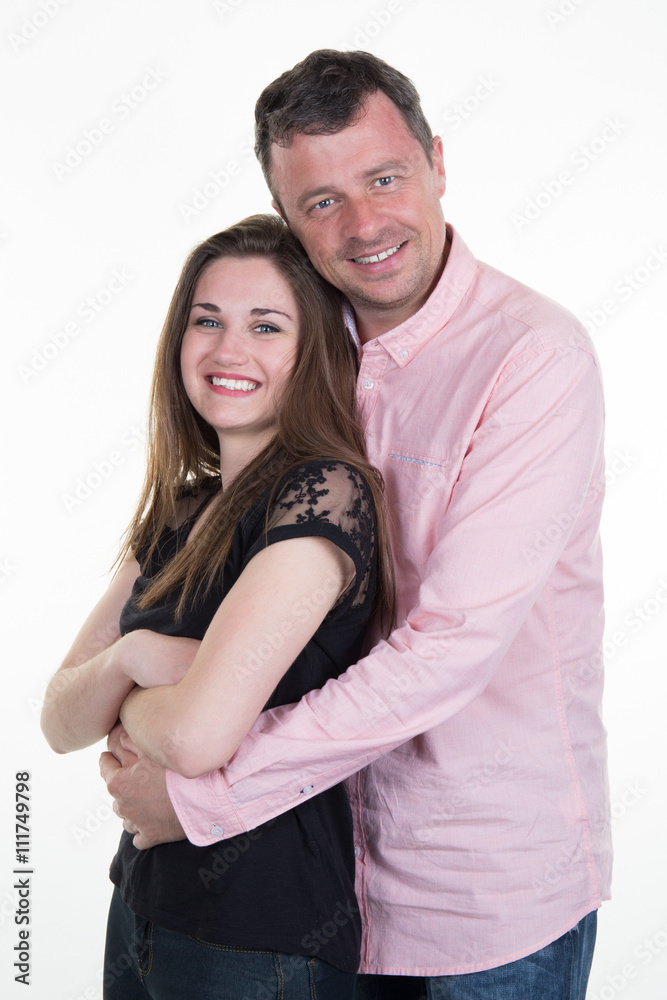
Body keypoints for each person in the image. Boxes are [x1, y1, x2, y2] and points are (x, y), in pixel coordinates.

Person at [102, 51, 611, 1000]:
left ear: (436, 164)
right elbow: (207, 540)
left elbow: (447, 647)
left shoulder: (533, 358)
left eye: (384, 179)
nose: (365, 224)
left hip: (481, 901)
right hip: (309, 887)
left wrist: (201, 789)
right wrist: (128, 671)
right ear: (287, 219)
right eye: (321, 201)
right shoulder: (291, 339)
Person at [41, 213, 396, 999]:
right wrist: (135, 658)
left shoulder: (323, 494)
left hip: (258, 934)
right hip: (142, 902)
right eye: (207, 321)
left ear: (312, 352)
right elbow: (60, 720)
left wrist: (123, 693)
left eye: (265, 326)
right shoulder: (181, 507)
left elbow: (199, 739)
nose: (227, 351)